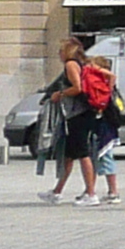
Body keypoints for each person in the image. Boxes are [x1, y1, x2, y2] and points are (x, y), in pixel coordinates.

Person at [40, 36, 93, 200]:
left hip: (78, 114)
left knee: (83, 153)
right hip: (80, 113)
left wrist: (60, 94)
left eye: (61, 50)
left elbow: (78, 87)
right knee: (69, 155)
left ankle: (91, 194)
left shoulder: (71, 65)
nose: (59, 54)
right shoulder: (81, 63)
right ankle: (57, 192)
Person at [80, 54, 125, 204]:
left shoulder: (106, 86)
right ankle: (90, 189)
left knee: (105, 157)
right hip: (102, 125)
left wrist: (96, 69)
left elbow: (112, 76)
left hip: (106, 126)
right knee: (95, 157)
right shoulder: (99, 86)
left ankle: (113, 191)